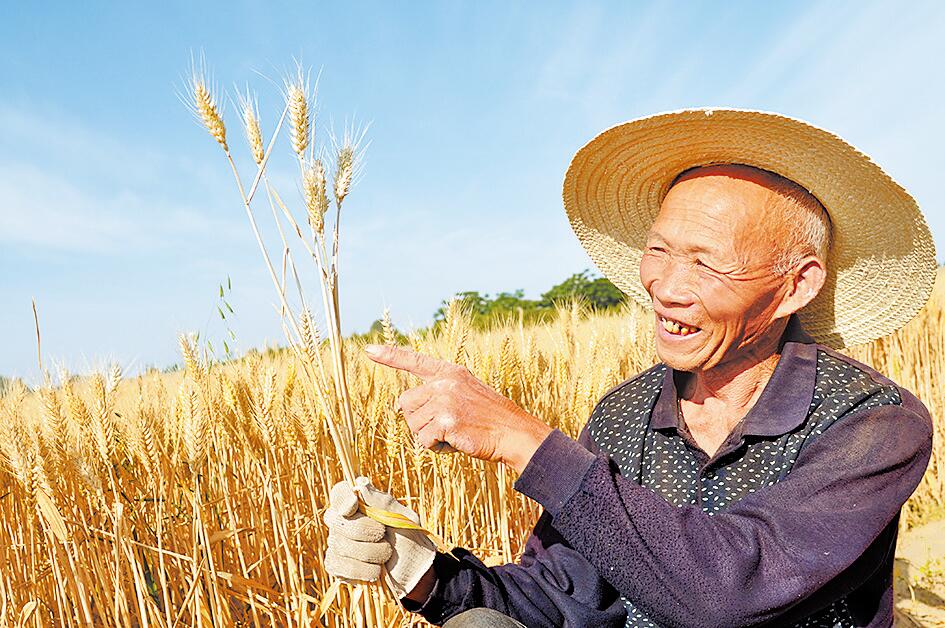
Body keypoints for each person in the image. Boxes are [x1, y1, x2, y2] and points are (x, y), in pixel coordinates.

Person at [321, 109, 937, 627]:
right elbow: (566, 598)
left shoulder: (874, 423)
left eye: (706, 264)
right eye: (660, 251)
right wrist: (420, 570)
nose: (666, 288)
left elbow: (728, 593)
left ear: (795, 287)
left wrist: (524, 440)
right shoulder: (624, 414)